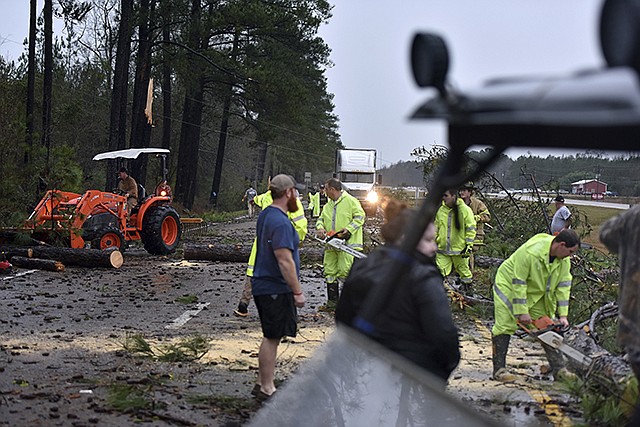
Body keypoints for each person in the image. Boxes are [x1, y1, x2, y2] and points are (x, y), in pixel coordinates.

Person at [336, 199, 460, 383]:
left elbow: (343, 320)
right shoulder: (424, 276)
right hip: (415, 376)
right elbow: (444, 333)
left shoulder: (362, 267)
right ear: (405, 238)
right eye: (428, 240)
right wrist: (444, 369)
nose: (434, 247)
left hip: (366, 373)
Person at [491, 229, 580, 382]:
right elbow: (519, 282)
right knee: (505, 325)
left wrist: (563, 315)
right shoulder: (531, 253)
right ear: (561, 245)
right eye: (570, 251)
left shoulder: (563, 260)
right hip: (509, 286)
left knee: (546, 326)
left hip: (534, 292)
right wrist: (522, 311)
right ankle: (499, 370)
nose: (570, 256)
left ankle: (559, 370)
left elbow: (563, 286)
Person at [251, 174, 306, 400]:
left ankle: (261, 382)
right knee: (272, 337)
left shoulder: (267, 215)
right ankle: (266, 387)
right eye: (295, 191)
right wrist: (297, 291)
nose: (297, 195)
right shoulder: (281, 222)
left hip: (265, 284)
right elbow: (284, 260)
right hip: (274, 286)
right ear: (288, 193)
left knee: (271, 335)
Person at [234, 186, 307, 317]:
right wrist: (297, 240)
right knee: (284, 273)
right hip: (281, 242)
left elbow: (257, 199)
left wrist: (252, 200)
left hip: (262, 243)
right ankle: (284, 310)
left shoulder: (266, 196)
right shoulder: (292, 201)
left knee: (253, 271)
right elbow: (301, 226)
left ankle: (243, 304)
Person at [315, 178, 365, 306]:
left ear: (332, 189)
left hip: (347, 245)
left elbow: (360, 217)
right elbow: (321, 219)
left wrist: (348, 230)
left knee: (345, 271)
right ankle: (333, 302)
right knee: (329, 272)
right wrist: (320, 228)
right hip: (331, 244)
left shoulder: (350, 201)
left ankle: (351, 302)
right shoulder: (328, 205)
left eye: (326, 189)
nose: (324, 192)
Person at [434, 188, 476, 290]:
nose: (443, 198)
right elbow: (436, 227)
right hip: (442, 249)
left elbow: (470, 228)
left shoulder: (465, 210)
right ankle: (440, 294)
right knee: (439, 272)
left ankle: (467, 292)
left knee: (464, 272)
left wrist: (468, 245)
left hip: (460, 250)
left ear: (453, 196)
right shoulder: (441, 210)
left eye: (446, 196)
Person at [459, 182, 491, 271]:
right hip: (461, 234)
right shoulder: (458, 204)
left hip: (476, 234)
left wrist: (476, 218)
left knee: (469, 252)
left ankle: (470, 273)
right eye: (460, 190)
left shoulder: (477, 203)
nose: (461, 192)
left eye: (464, 190)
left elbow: (487, 216)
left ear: (470, 192)